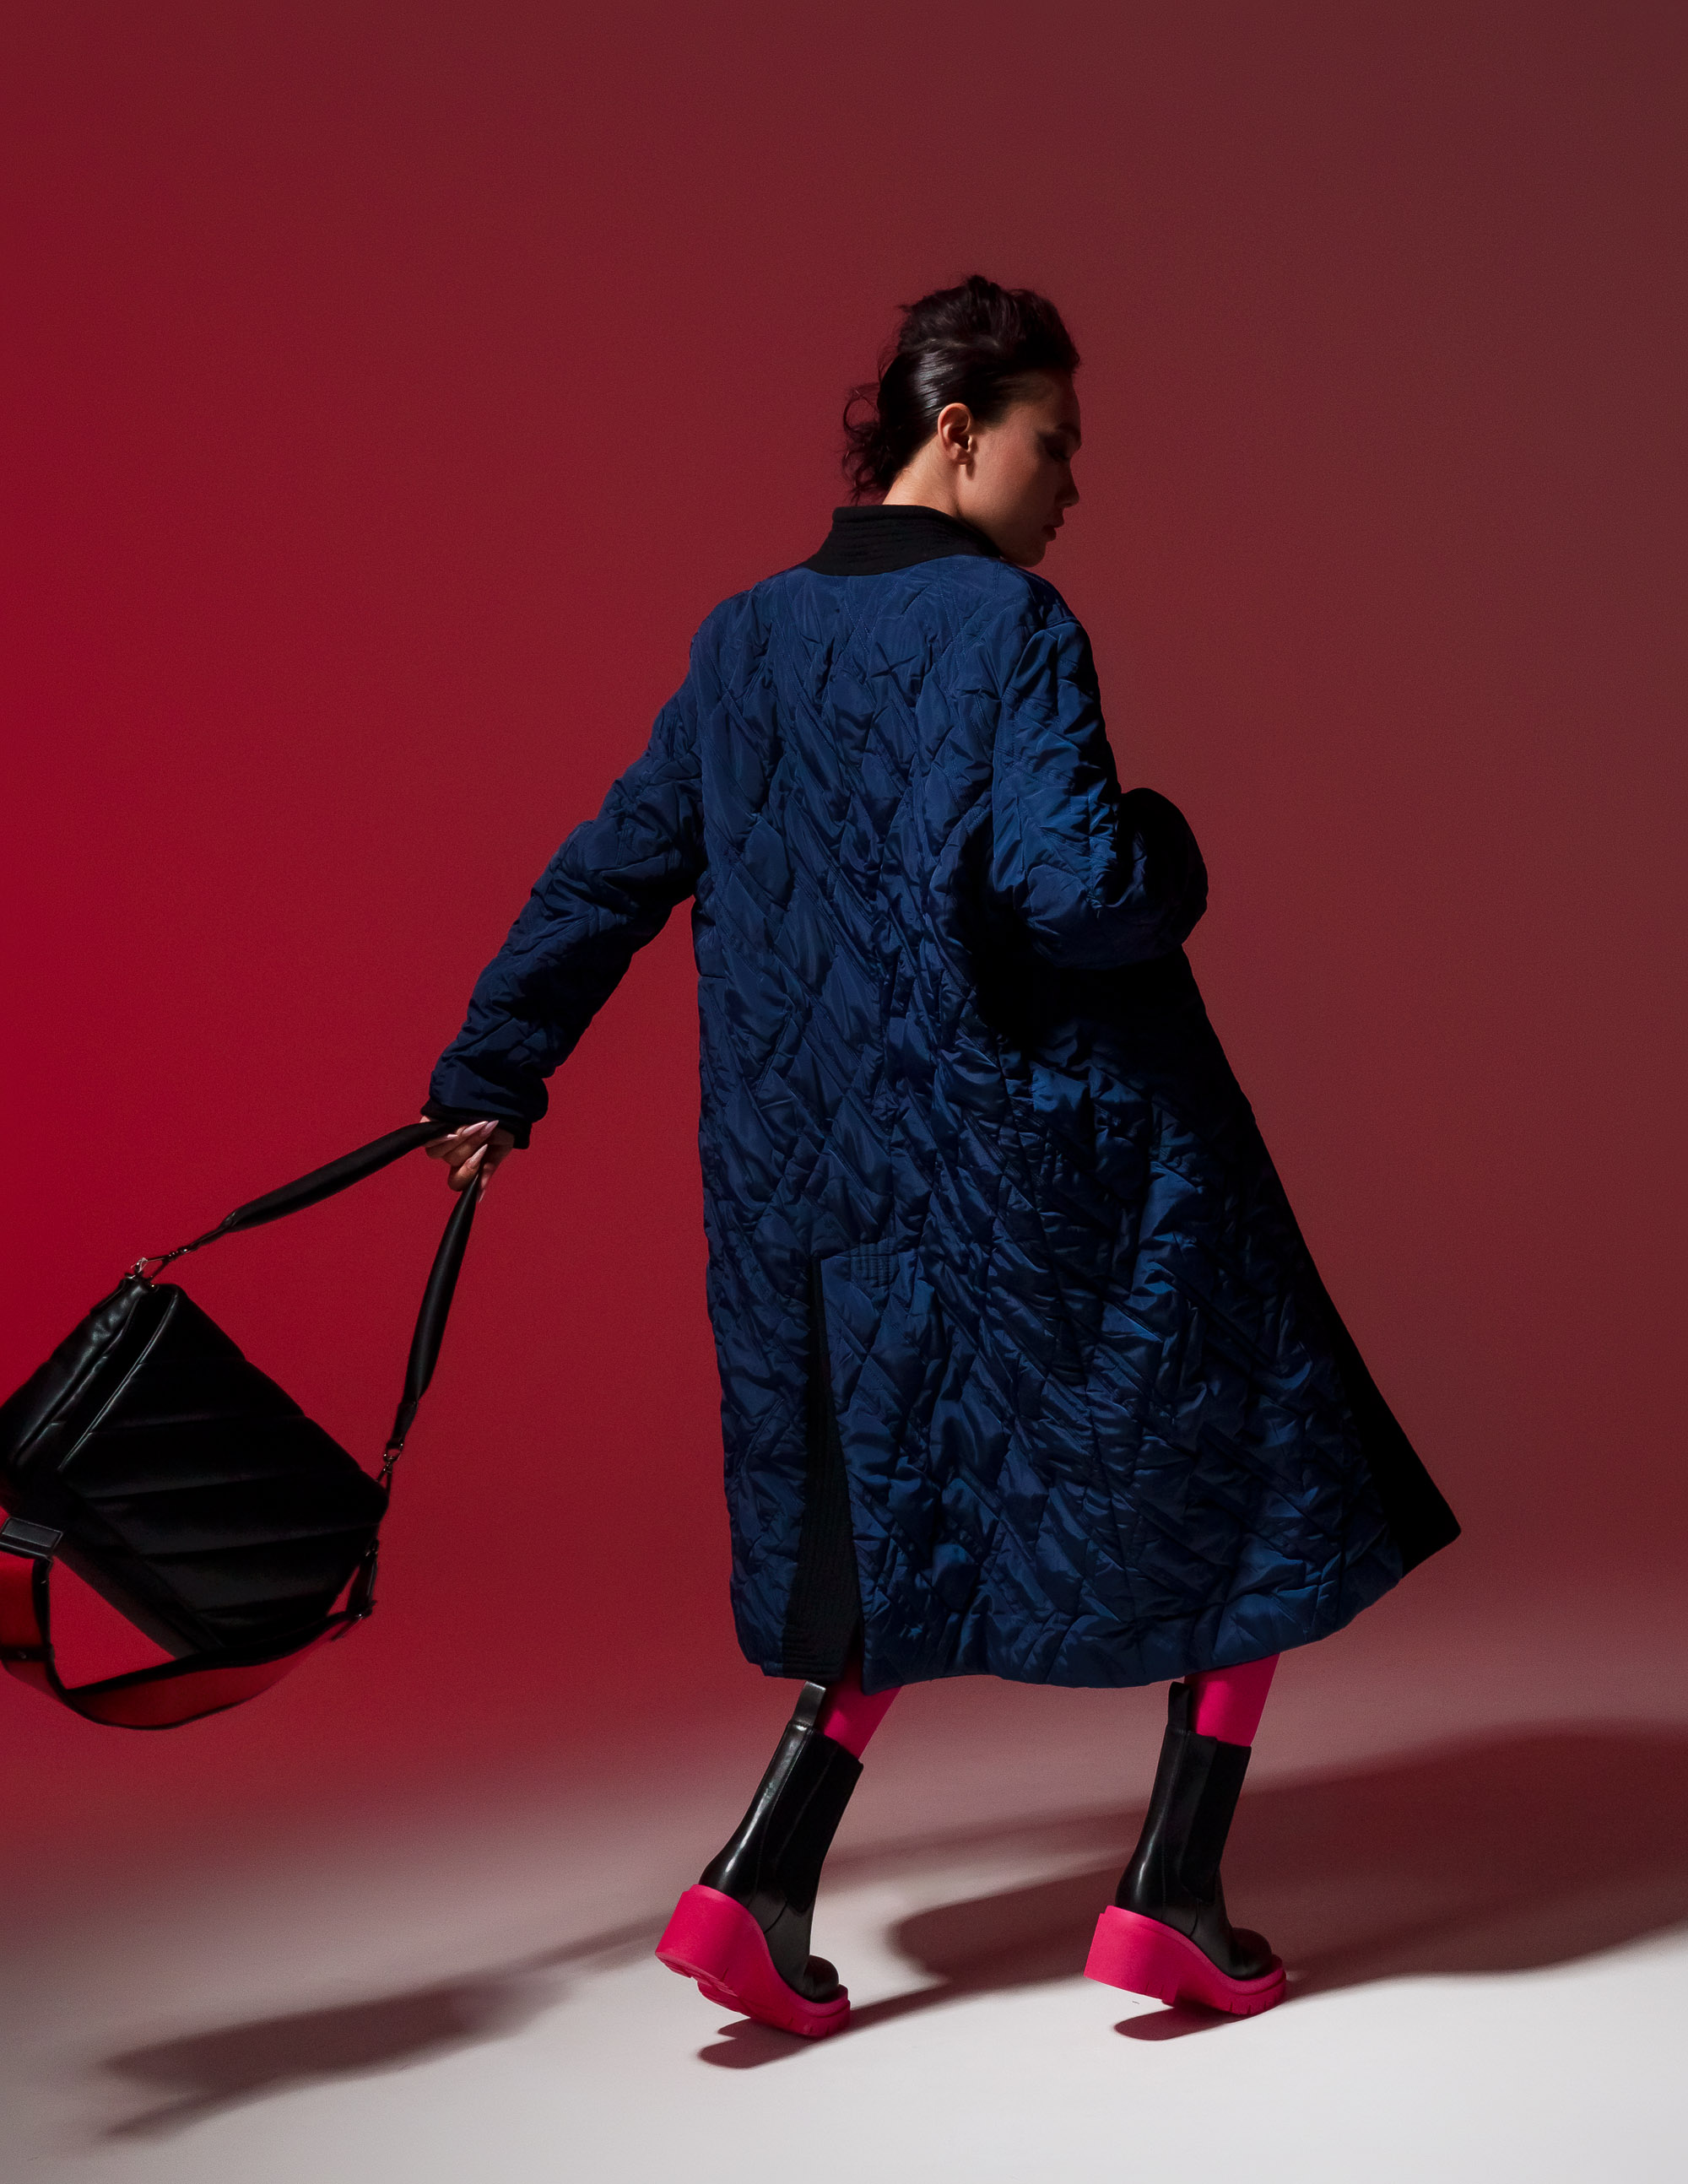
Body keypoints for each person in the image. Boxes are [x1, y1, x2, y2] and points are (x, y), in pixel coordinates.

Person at [421, 275, 1459, 2035]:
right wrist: (1170, 844)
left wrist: (491, 1072)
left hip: (824, 1197)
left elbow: (611, 869)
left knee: (882, 1512)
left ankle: (756, 1880)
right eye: (1056, 444)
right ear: (961, 433)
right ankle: (1173, 1890)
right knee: (1263, 1442)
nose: (1074, 487)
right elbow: (1078, 892)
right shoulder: (1010, 624)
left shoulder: (741, 642)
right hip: (1044, 1165)